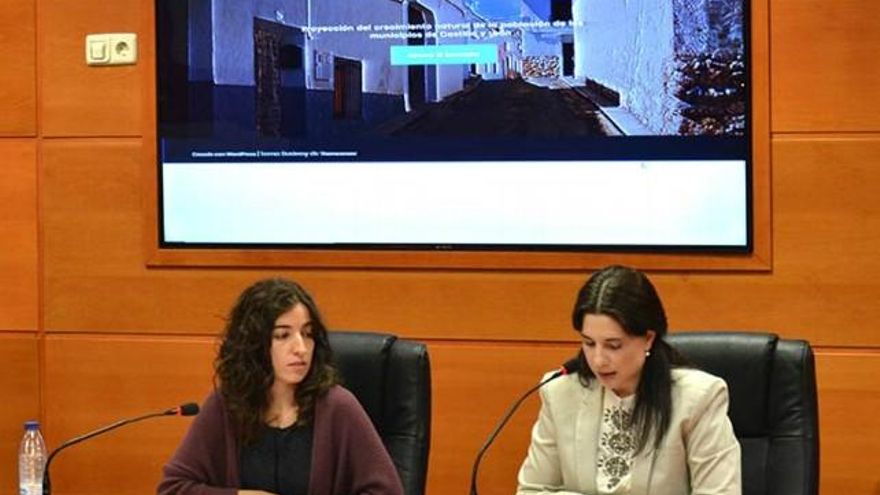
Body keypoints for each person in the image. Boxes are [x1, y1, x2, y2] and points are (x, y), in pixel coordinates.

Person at [158, 278, 404, 495]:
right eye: (282, 335)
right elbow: (173, 488)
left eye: (308, 334)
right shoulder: (226, 405)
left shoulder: (337, 407)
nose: (301, 347)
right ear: (255, 344)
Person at [517, 265, 741, 495]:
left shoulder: (699, 399)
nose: (598, 360)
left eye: (613, 345)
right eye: (589, 343)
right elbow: (532, 490)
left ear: (648, 339)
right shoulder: (560, 393)